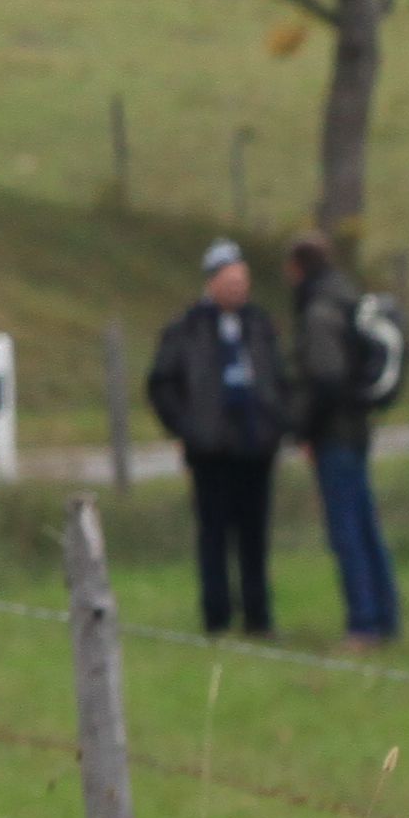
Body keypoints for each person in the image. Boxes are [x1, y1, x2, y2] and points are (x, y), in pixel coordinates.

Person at [145, 238, 287, 638]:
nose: (238, 288)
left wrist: (277, 423)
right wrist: (187, 428)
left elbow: (279, 378)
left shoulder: (259, 325)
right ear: (212, 282)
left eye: (243, 281)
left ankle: (259, 617)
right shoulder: (187, 328)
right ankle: (217, 617)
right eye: (230, 281)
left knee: (254, 536)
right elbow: (162, 383)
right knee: (214, 536)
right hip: (210, 452)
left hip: (255, 447)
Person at [286, 231, 400, 648]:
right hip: (357, 429)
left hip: (334, 434)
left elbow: (325, 376)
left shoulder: (319, 312)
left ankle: (364, 624)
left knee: (347, 530)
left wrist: (303, 427)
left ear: (297, 268)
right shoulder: (347, 298)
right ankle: (386, 617)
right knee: (367, 525)